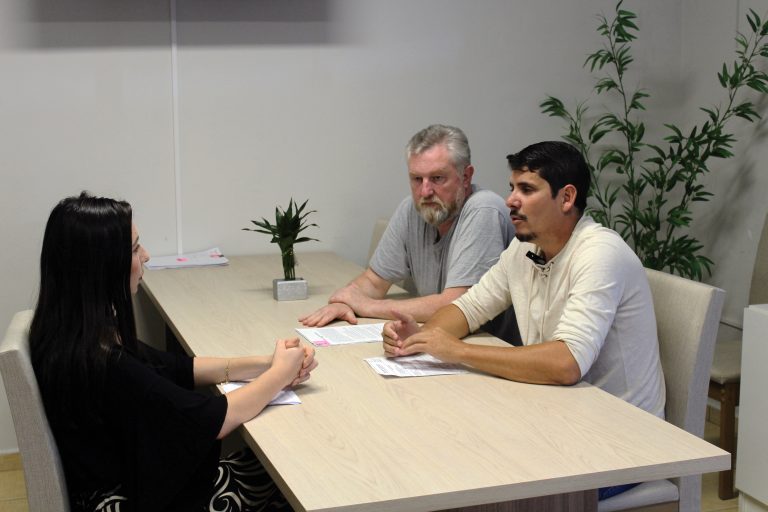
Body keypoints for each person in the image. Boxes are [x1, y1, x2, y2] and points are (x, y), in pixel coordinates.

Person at [383, 142, 666, 499]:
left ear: (566, 198)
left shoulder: (600, 254)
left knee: (475, 481)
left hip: (621, 443)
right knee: (439, 453)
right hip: (559, 419)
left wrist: (454, 350)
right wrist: (421, 337)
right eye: (512, 187)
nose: (510, 200)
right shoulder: (525, 247)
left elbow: (566, 364)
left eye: (527, 189)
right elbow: (468, 309)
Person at [29, 192, 317, 512]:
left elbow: (176, 367)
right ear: (103, 266)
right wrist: (279, 375)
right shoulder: (104, 361)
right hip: (127, 499)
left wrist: (267, 364)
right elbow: (209, 419)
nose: (147, 256)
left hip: (109, 483)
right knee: (293, 474)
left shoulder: (73, 333)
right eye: (136, 249)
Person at [300, 124, 517, 341]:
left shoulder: (484, 209)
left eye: (438, 178)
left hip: (490, 347)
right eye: (416, 179)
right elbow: (374, 281)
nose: (425, 191)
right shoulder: (412, 209)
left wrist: (368, 306)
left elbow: (457, 306)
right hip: (442, 340)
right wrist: (344, 302)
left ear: (466, 176)